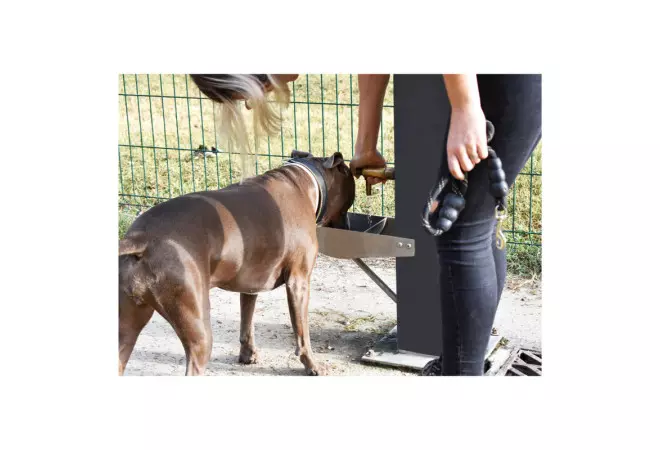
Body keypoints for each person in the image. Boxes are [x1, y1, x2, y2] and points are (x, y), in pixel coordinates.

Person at [189, 73, 542, 376]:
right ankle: (461, 363)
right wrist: (366, 143)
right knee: (472, 227)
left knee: (464, 233)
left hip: (502, 80)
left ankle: (460, 376)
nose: (254, 104)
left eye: (253, 90)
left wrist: (466, 107)